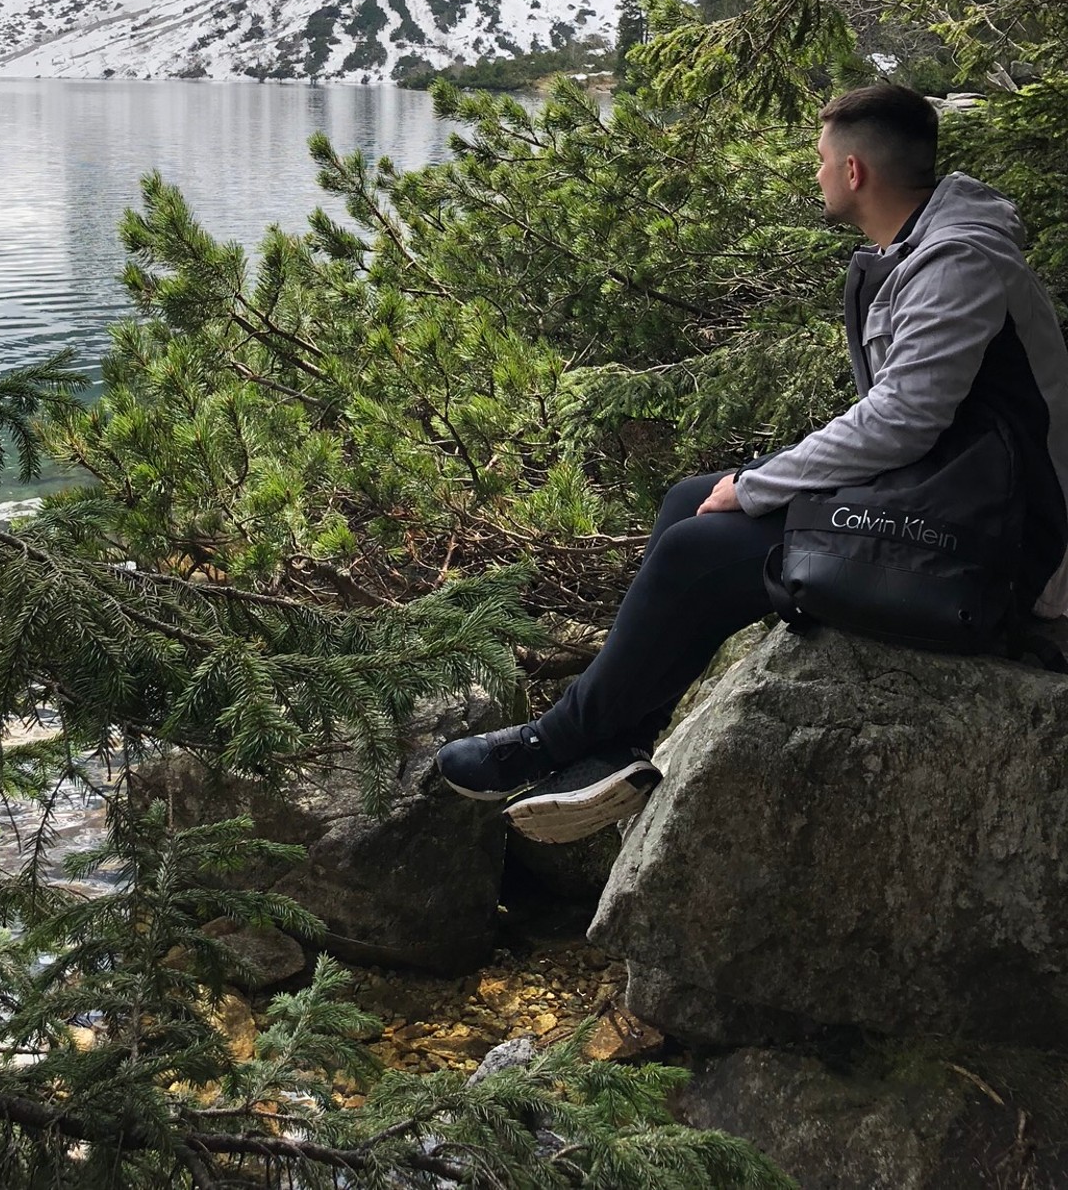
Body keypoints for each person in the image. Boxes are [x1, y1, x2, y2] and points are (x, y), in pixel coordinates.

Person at [436, 84, 1068, 843]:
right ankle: (618, 742)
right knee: (687, 500)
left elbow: (906, 418)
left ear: (855, 170)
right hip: (953, 489)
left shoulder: (956, 259)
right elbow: (912, 418)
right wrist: (750, 483)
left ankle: (556, 739)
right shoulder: (918, 245)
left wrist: (762, 483)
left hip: (1010, 543)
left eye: (820, 160)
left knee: (697, 548)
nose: (817, 175)